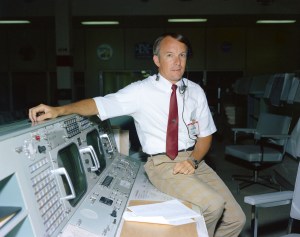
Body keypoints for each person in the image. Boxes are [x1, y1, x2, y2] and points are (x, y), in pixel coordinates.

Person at [29, 33, 246, 237]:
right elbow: (100, 103)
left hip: (195, 159)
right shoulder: (140, 91)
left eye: (182, 55)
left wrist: (193, 160)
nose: (177, 62)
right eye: (169, 55)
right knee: (212, 204)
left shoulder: (195, 91)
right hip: (164, 163)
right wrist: (60, 110)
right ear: (157, 60)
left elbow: (205, 136)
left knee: (237, 219)